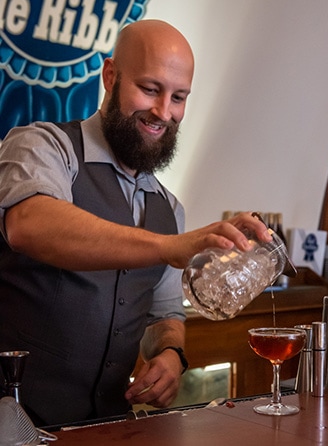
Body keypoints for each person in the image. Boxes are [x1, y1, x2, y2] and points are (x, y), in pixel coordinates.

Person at [0, 20, 270, 426]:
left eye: (179, 97)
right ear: (110, 76)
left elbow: (163, 315)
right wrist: (168, 247)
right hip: (16, 423)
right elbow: (29, 224)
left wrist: (169, 354)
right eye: (150, 89)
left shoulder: (169, 207)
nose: (164, 112)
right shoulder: (43, 146)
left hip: (108, 425)